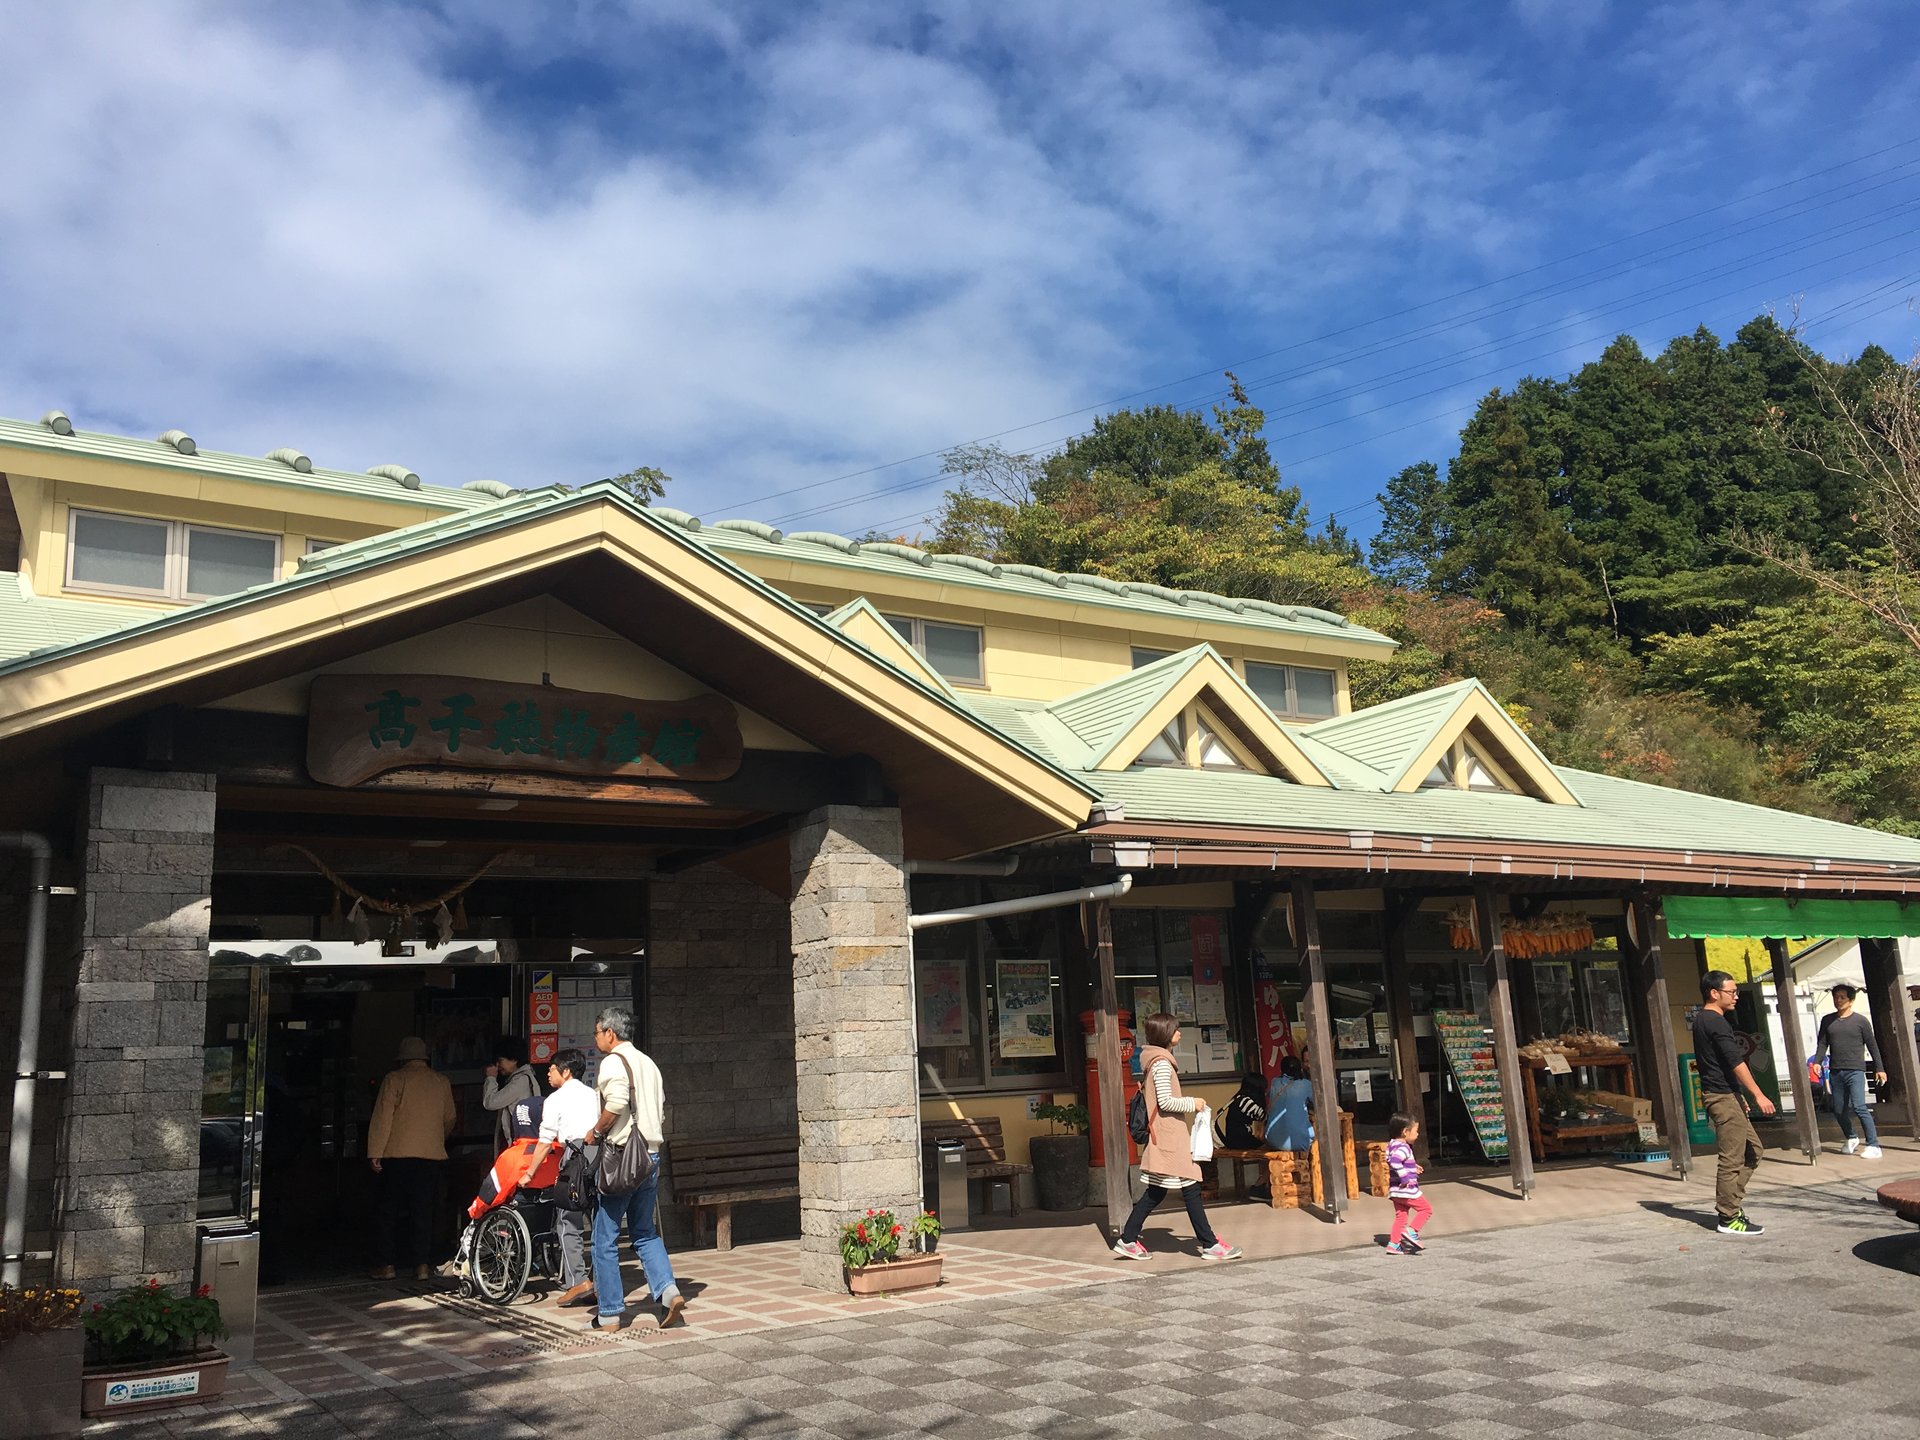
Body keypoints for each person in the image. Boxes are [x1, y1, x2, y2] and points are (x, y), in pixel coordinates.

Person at [584, 1005, 686, 1330]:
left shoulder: (614, 1062)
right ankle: (669, 1293)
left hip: (623, 1157)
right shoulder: (649, 1064)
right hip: (651, 1155)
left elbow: (615, 1104)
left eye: (598, 1032)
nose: (596, 1038)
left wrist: (596, 1132)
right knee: (644, 1231)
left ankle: (610, 1313)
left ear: (610, 1033)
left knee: (605, 1236)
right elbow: (661, 1109)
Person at [1112, 1012, 1242, 1262]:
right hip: (1170, 1139)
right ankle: (1210, 1244)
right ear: (1166, 1035)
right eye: (1176, 1030)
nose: (1180, 1033)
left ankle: (1128, 1239)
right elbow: (1166, 1101)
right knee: (1190, 1187)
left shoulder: (1154, 1061)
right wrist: (1195, 1102)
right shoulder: (1161, 1064)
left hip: (1166, 1138)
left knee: (1157, 1192)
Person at [1691, 972, 1777, 1236]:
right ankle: (1728, 1217)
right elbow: (1735, 1061)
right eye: (1732, 992)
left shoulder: (1707, 1020)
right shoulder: (1714, 1021)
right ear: (1714, 993)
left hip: (1728, 1095)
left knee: (1754, 1151)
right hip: (1721, 1097)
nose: (1736, 996)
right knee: (1732, 1158)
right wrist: (1758, 1094)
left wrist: (1739, 1095)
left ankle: (1730, 1204)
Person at [367, 1036, 457, 1280]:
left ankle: (387, 1265)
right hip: (431, 1155)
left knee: (389, 1210)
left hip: (396, 1155)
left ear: (403, 1058)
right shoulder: (441, 1081)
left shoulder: (394, 1079)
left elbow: (383, 1117)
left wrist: (375, 1151)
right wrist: (436, 1138)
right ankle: (422, 1266)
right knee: (424, 1211)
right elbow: (449, 1117)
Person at [521, 1048, 599, 1306]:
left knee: (567, 1221)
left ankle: (578, 1282)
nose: (548, 1072)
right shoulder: (593, 1095)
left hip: (575, 1158)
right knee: (599, 1222)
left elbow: (544, 1141)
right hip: (599, 1156)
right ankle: (599, 1281)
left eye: (552, 1068)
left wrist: (529, 1172)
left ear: (565, 1072)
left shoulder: (554, 1100)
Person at [1813, 983, 1886, 1159]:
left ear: (1851, 1000)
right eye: (1836, 997)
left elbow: (1872, 1045)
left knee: (1860, 1106)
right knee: (1838, 1110)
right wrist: (1817, 1061)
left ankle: (1873, 1145)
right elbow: (1823, 1043)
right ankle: (1851, 1137)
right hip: (1836, 1070)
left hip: (1855, 1070)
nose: (1838, 1001)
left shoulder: (1861, 1021)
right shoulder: (1827, 1020)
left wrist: (1880, 1068)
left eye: (1842, 997)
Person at [482, 1035, 543, 1149]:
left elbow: (490, 1103)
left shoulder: (520, 1081)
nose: (498, 1066)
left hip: (522, 1144)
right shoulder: (526, 1077)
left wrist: (490, 1077)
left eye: (500, 1061)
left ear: (514, 1060)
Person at [1383, 1112, 1430, 1256]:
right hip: (1407, 1190)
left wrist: (1412, 1166)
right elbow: (1396, 1161)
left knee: (1401, 1216)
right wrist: (1405, 1178)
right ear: (1405, 1132)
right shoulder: (1404, 1147)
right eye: (1416, 1130)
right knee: (1426, 1209)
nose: (1417, 1134)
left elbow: (1393, 1160)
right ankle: (1412, 1231)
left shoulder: (1391, 1145)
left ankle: (1394, 1244)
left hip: (1395, 1191)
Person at [1263, 1055, 1314, 1152]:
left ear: (1281, 1069)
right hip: (1299, 1141)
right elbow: (1317, 1103)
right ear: (1300, 1068)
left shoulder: (1275, 1082)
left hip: (1272, 1140)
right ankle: (1312, 1165)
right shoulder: (1305, 1084)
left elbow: (1272, 1096)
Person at [1219, 1071, 1267, 1149]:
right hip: (1241, 1141)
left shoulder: (1238, 1098)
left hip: (1234, 1139)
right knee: (1269, 1146)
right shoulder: (1245, 1101)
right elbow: (1262, 1116)